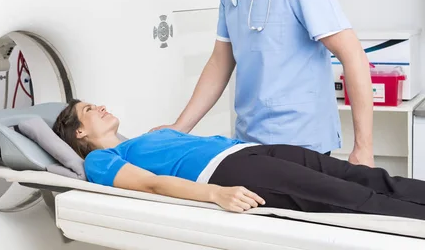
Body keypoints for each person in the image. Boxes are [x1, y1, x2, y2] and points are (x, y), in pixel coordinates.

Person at [151, 0, 375, 167]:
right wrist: (179, 128)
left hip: (301, 142)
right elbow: (220, 61)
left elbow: (353, 56)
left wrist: (363, 148)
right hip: (249, 139)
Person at [53, 99, 425, 220]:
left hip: (253, 150)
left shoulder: (148, 136)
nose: (100, 106)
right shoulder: (102, 159)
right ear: (79, 133)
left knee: (370, 178)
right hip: (233, 170)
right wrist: (215, 193)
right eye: (89, 109)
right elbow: (151, 185)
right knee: (353, 200)